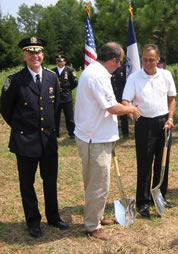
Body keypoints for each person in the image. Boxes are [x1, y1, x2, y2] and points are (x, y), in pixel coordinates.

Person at [0, 36, 69, 238]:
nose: (35, 56)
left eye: (38, 52)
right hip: (25, 141)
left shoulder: (50, 78)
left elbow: (54, 108)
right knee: (27, 184)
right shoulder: (15, 80)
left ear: (43, 54)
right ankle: (33, 221)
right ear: (24, 55)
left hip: (47, 140)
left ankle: (54, 216)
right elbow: (5, 109)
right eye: (30, 52)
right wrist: (23, 128)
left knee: (50, 180)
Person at [74, 42, 140, 240]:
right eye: (119, 62)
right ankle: (92, 226)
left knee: (95, 181)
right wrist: (132, 109)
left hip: (94, 135)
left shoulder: (95, 72)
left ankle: (97, 215)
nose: (119, 66)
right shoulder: (97, 76)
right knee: (99, 184)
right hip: (95, 139)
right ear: (113, 60)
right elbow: (112, 107)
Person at [122, 44, 176, 218]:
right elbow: (125, 101)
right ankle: (143, 201)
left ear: (158, 59)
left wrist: (170, 118)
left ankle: (159, 196)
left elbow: (172, 98)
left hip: (164, 123)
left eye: (152, 59)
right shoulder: (134, 78)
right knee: (145, 163)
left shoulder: (166, 75)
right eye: (145, 59)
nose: (148, 63)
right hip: (144, 124)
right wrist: (131, 109)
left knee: (162, 162)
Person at [52, 55, 78, 139]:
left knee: (69, 116)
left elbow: (75, 83)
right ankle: (55, 133)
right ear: (56, 62)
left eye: (61, 61)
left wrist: (68, 90)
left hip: (66, 96)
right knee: (55, 115)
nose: (60, 62)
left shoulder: (69, 71)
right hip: (56, 96)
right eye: (58, 61)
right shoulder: (52, 71)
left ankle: (72, 133)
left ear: (65, 62)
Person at [111, 64, 129, 138]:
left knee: (123, 115)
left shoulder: (123, 69)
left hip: (121, 94)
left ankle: (125, 133)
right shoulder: (111, 69)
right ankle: (113, 132)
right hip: (112, 93)